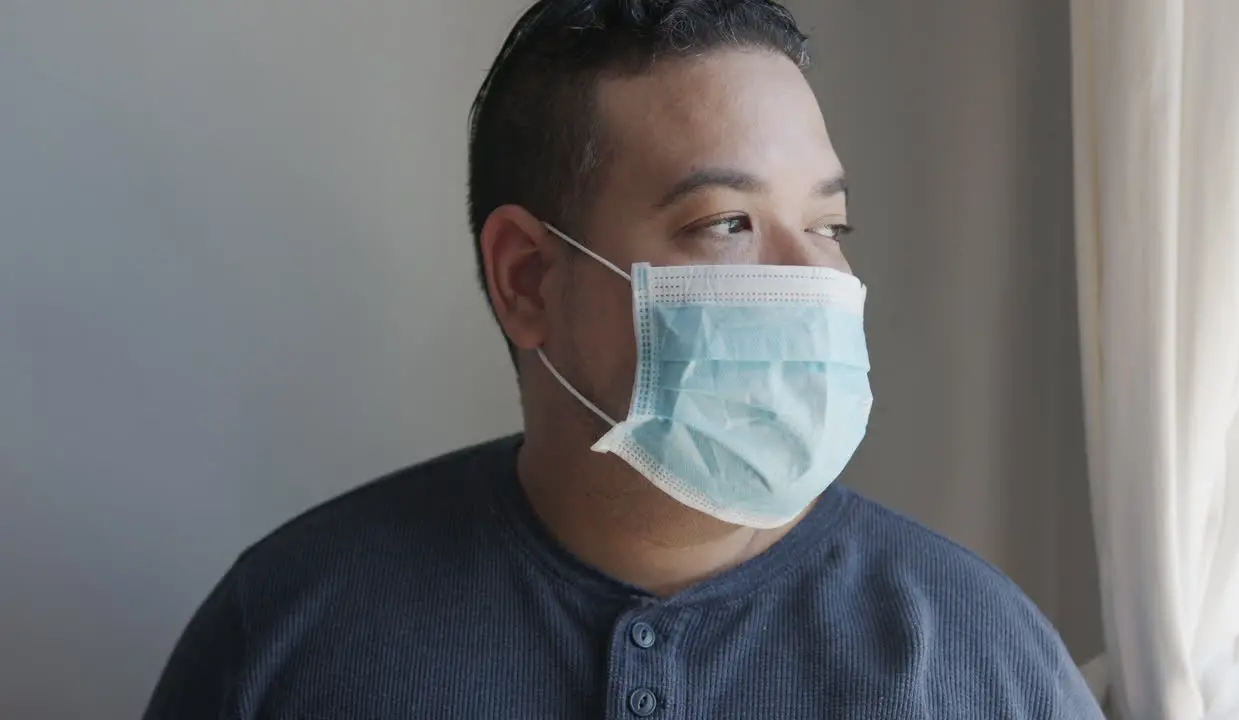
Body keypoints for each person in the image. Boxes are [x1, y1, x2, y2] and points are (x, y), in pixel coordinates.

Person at [143, 1, 1103, 717]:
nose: (815, 280)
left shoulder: (982, 658)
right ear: (527, 280)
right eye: (726, 222)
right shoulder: (289, 635)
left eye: (829, 223)